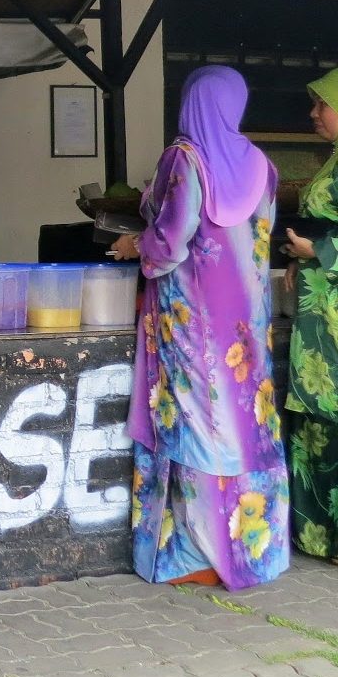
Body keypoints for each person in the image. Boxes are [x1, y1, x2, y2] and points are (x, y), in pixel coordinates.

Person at [113, 65, 287, 589]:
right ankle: (251, 552)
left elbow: (170, 242)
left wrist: (133, 245)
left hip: (193, 324)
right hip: (247, 326)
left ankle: (196, 556)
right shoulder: (262, 165)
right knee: (246, 423)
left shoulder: (184, 159)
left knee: (195, 422)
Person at [279, 67, 338, 562]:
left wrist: (317, 250)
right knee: (316, 425)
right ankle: (317, 537)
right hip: (320, 316)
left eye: (323, 103)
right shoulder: (332, 160)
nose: (313, 113)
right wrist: (300, 257)